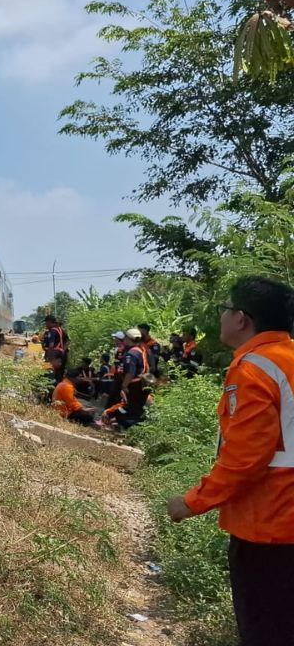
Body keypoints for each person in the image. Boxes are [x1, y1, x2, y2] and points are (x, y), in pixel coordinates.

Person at [167, 277, 294, 646]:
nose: (221, 317)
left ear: (241, 318)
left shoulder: (254, 369)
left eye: (225, 309)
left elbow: (246, 459)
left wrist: (191, 502)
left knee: (267, 631)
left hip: (271, 527)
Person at [104, 328, 150, 429]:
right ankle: (131, 426)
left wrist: (124, 385)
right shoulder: (141, 349)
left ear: (129, 339)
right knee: (135, 408)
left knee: (128, 407)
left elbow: (130, 372)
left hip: (134, 385)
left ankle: (114, 419)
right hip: (142, 384)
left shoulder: (131, 354)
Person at [41, 314, 68, 380]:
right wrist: (63, 351)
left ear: (50, 322)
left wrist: (49, 359)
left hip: (54, 354)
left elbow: (51, 346)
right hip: (60, 353)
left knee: (49, 371)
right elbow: (68, 341)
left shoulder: (52, 331)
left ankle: (50, 387)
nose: (46, 325)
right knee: (58, 374)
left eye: (46, 323)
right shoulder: (60, 330)